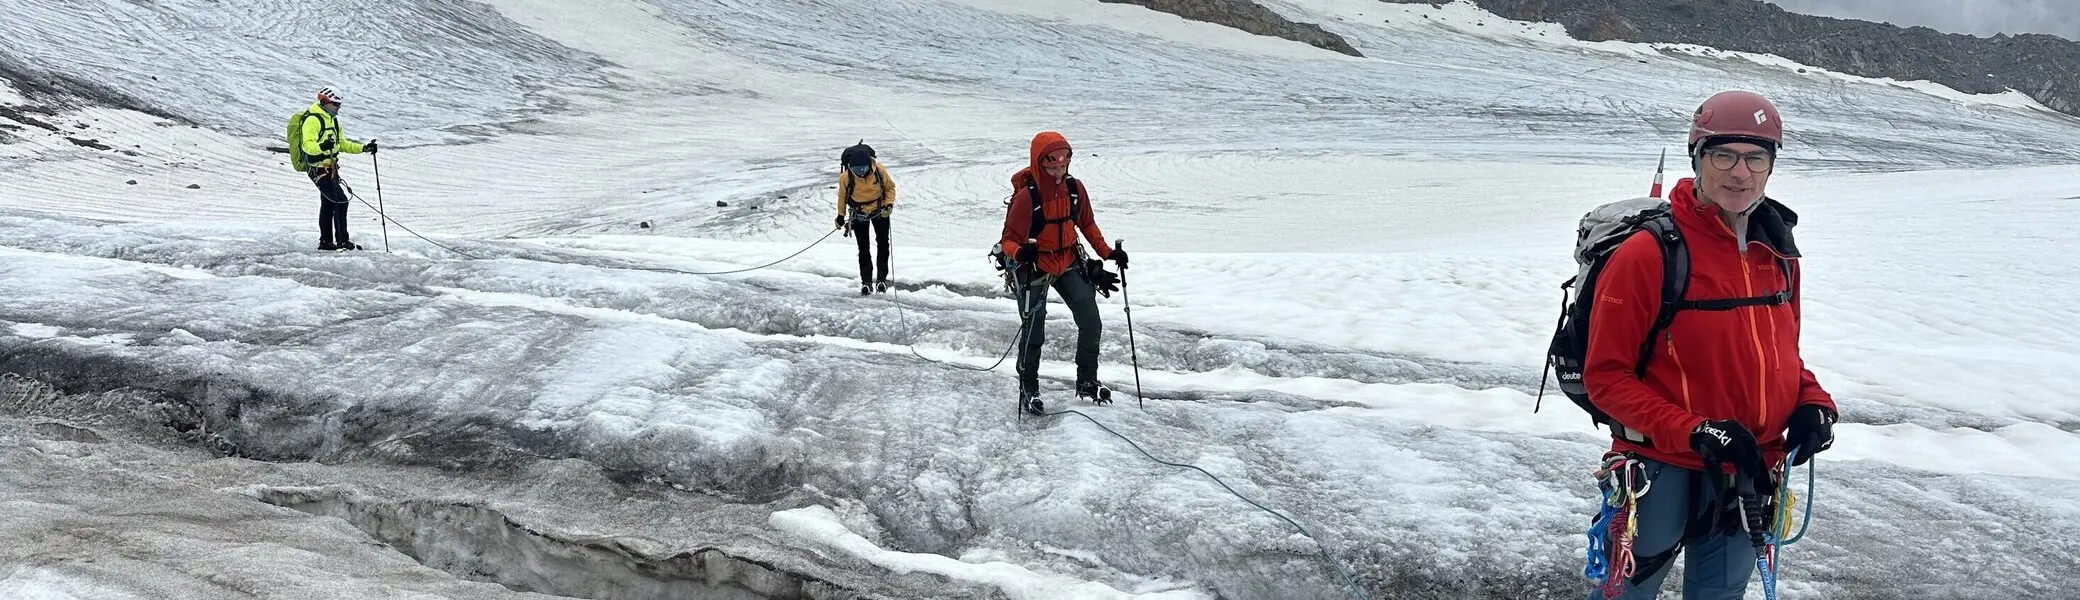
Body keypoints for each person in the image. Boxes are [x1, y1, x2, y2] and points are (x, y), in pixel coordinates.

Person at [1582, 90, 1839, 599]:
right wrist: (1696, 431)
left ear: (1771, 165)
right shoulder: (1648, 253)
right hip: (1662, 468)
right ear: (1697, 158)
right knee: (1626, 593)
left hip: (1750, 467)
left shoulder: (1777, 252)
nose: (1740, 173)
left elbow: (1778, 354)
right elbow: (1605, 378)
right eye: (1724, 155)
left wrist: (1812, 401)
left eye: (1756, 157)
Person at [998, 131, 1128, 415]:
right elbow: (1008, 240)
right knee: (1034, 330)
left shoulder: (1074, 189)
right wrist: (1020, 253)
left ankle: (1087, 381)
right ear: (1039, 163)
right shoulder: (1026, 198)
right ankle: (1028, 387)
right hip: (1033, 267)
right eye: (1052, 167)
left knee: (1090, 321)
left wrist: (1107, 252)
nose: (1058, 173)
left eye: (1063, 166)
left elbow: (1087, 224)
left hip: (1068, 260)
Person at [296, 88, 375, 250]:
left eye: (339, 104)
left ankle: (326, 242)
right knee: (341, 201)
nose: (338, 107)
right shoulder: (313, 120)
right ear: (324, 102)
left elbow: (343, 144)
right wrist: (322, 147)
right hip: (317, 169)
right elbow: (307, 146)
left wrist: (364, 148)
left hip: (330, 170)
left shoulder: (334, 121)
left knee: (329, 203)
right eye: (335, 104)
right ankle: (342, 241)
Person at [835, 141, 895, 295]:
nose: (860, 172)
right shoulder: (846, 177)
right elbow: (842, 197)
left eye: (863, 169)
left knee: (883, 244)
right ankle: (866, 281)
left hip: (880, 211)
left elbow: (889, 188)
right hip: (858, 213)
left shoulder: (879, 171)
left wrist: (889, 205)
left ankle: (881, 279)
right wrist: (841, 216)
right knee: (863, 248)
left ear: (869, 164)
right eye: (857, 169)